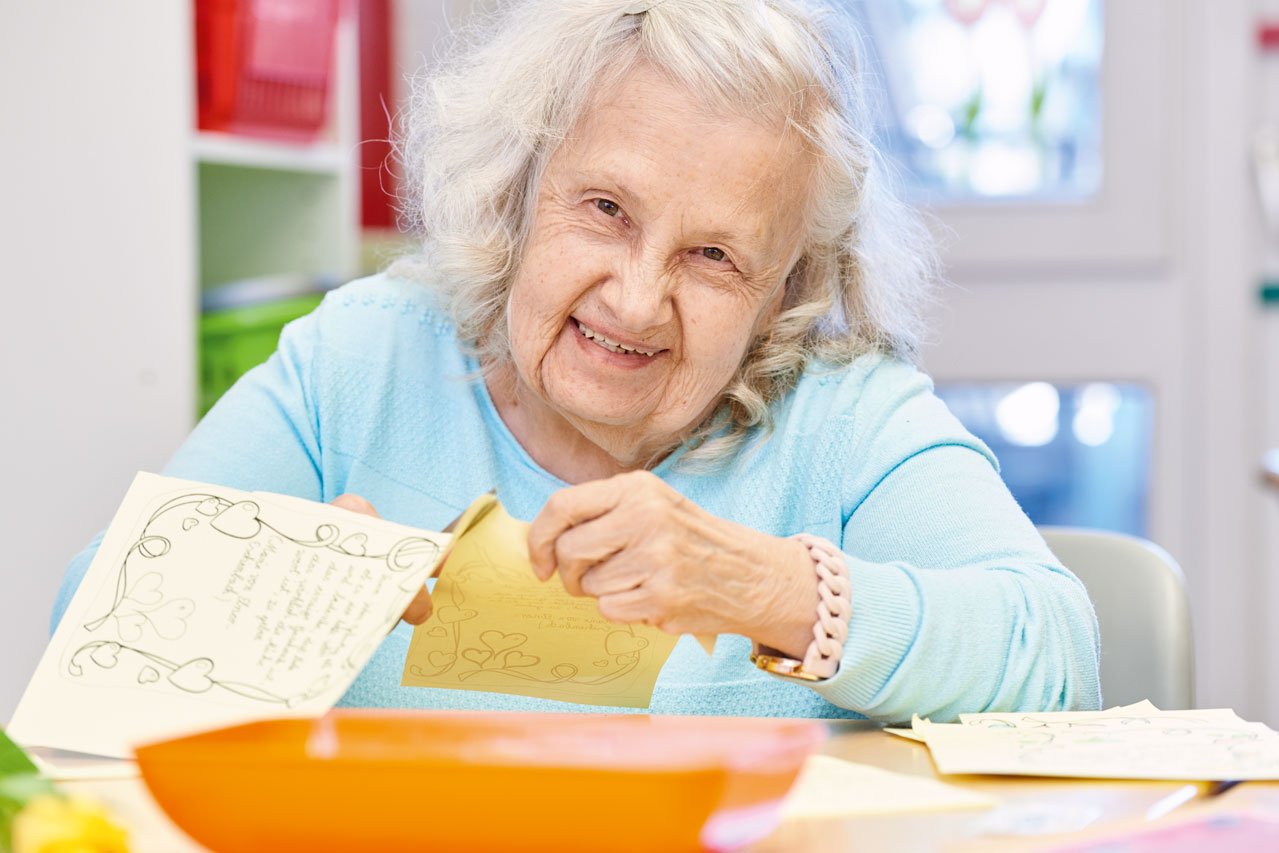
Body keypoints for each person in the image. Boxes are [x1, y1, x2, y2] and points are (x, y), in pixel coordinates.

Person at [53, 0, 1100, 721]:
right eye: (604, 209)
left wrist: (766, 587)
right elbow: (86, 631)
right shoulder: (365, 355)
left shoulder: (846, 419)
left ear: (786, 288)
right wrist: (271, 585)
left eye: (714, 256)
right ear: (516, 189)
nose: (637, 297)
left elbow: (1055, 654)